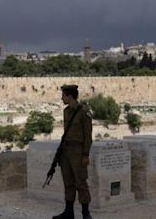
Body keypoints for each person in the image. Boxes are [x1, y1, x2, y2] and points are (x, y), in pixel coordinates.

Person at [53, 85, 93, 219]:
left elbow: (88, 136)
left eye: (63, 95)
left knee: (81, 182)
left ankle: (85, 214)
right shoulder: (66, 111)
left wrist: (86, 154)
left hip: (78, 151)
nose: (62, 98)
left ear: (70, 96)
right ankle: (69, 212)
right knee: (68, 182)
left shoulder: (83, 112)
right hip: (66, 151)